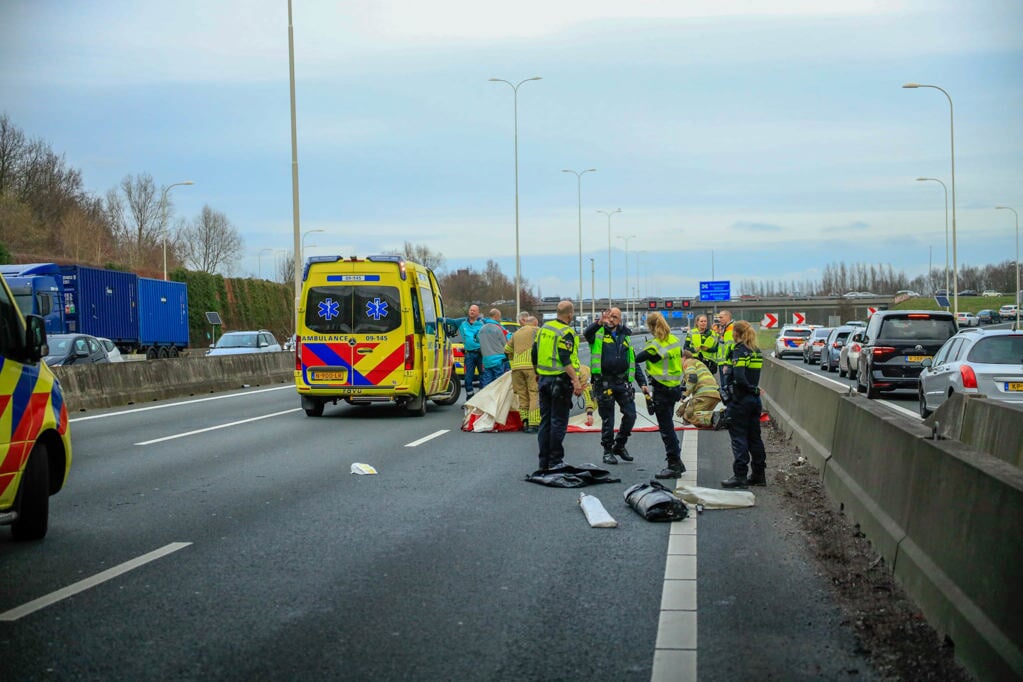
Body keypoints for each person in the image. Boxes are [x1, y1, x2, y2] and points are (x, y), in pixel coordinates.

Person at [583, 307, 649, 465]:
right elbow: (587, 334)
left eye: (615, 317)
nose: (611, 319)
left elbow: (631, 360)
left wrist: (642, 383)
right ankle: (607, 451)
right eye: (609, 316)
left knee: (631, 415)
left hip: (622, 383)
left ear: (620, 319)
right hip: (604, 382)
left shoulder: (624, 335)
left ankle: (619, 445)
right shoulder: (598, 333)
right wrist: (599, 322)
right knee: (608, 419)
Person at [531, 300, 583, 472]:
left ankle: (543, 461)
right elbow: (565, 358)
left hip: (544, 379)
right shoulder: (567, 332)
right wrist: (575, 380)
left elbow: (534, 351)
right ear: (570, 314)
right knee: (558, 422)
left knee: (545, 421)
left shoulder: (544, 328)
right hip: (559, 382)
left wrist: (537, 372)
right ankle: (555, 461)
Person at [634, 312, 686, 479]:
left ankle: (674, 464)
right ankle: (677, 460)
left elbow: (637, 359)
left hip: (662, 390)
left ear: (651, 327)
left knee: (666, 429)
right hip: (675, 388)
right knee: (669, 425)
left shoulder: (654, 345)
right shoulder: (675, 341)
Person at [720, 320, 767, 488]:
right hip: (755, 402)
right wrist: (754, 390)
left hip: (741, 400)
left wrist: (729, 371)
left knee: (739, 438)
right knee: (755, 438)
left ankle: (740, 476)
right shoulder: (756, 351)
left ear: (736, 333)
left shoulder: (740, 351)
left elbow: (739, 377)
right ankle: (758, 474)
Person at [505, 314, 541, 432]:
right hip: (531, 367)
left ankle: (525, 422)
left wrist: (513, 360)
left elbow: (507, 350)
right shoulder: (537, 331)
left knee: (522, 395)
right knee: (534, 393)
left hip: (517, 369)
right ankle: (534, 424)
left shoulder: (516, 333)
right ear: (535, 323)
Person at [441, 304, 484, 398]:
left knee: (483, 378)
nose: (471, 312)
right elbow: (450, 321)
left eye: (474, 310)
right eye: (470, 310)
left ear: (478, 312)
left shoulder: (483, 323)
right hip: (469, 354)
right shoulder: (462, 322)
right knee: (468, 378)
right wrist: (436, 319)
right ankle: (469, 399)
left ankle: (481, 401)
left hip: (481, 354)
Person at [675, 351, 722, 428]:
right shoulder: (696, 363)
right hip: (713, 395)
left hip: (704, 394)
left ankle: (715, 418)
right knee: (698, 418)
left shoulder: (688, 362)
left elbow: (692, 378)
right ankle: (715, 419)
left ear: (683, 358)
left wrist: (684, 395)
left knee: (688, 415)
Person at [478, 308, 509, 388]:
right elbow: (506, 343)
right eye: (499, 317)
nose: (500, 319)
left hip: (486, 361)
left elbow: (478, 341)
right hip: (498, 360)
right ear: (496, 316)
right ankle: (498, 400)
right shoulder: (499, 328)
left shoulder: (481, 329)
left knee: (487, 384)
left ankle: (486, 399)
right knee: (499, 384)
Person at [714, 310, 736, 382]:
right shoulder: (726, 328)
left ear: (728, 317)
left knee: (727, 388)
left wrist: (727, 364)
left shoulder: (731, 328)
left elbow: (730, 347)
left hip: (727, 363)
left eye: (721, 317)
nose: (719, 320)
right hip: (724, 362)